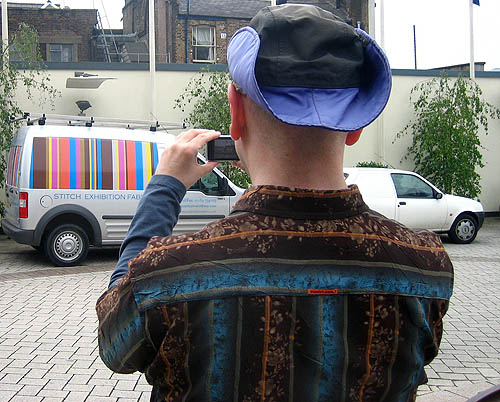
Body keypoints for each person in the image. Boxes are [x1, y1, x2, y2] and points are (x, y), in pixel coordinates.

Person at [97, 4, 453, 401]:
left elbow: (115, 346)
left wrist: (163, 189)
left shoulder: (169, 273)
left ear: (236, 113)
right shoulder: (423, 267)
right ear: (355, 127)